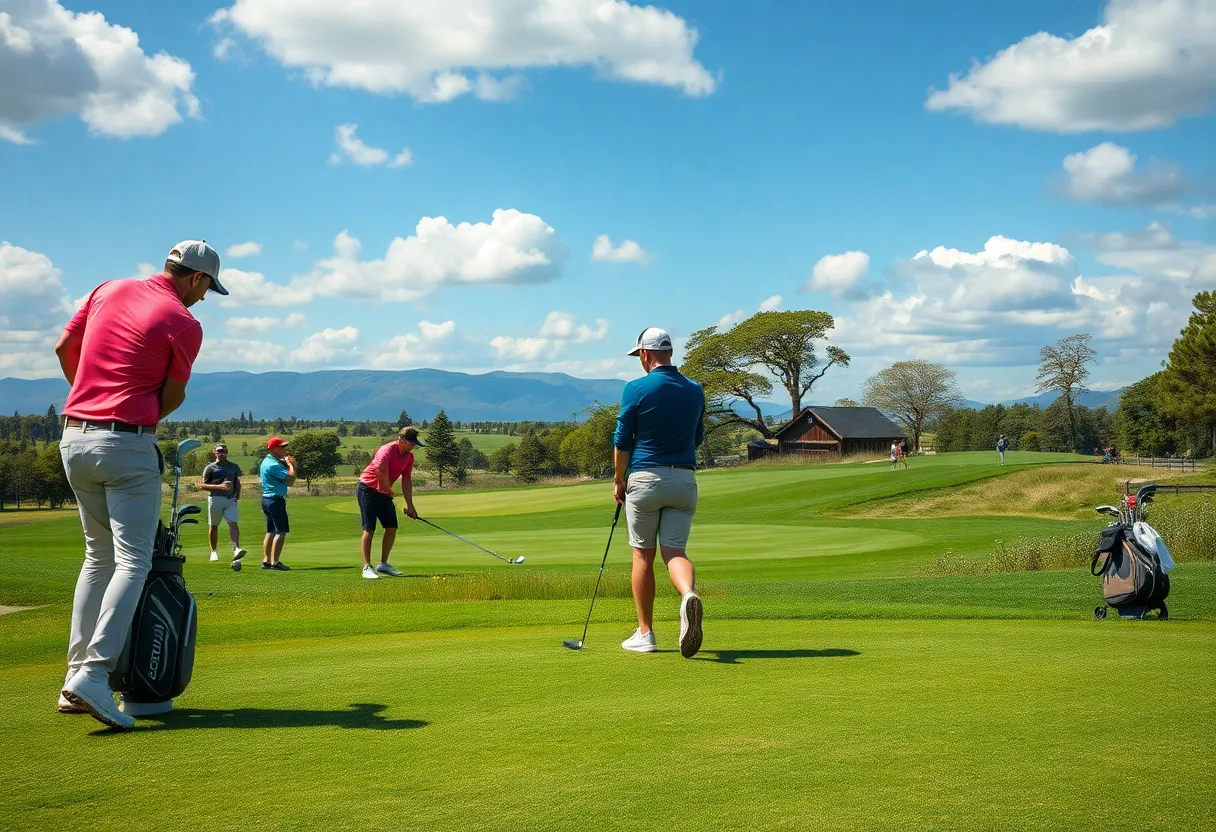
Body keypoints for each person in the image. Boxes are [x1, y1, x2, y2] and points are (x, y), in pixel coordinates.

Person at [53, 240, 227, 729]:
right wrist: (133, 418)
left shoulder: (107, 288)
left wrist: (89, 399)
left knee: (97, 557)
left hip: (73, 438)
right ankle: (93, 673)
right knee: (134, 560)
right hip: (124, 443)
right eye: (207, 287)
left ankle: (73, 676)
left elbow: (65, 348)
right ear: (194, 278)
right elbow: (172, 394)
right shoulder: (184, 322)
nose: (205, 297)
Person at [613, 327, 706, 658]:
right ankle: (687, 595)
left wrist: (618, 480)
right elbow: (697, 437)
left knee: (642, 555)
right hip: (684, 480)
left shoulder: (636, 388)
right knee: (675, 550)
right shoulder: (695, 389)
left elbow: (622, 440)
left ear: (645, 354)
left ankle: (646, 633)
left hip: (645, 479)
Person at [357, 426, 422, 579]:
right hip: (367, 489)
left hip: (383, 492)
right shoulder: (386, 450)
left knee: (391, 527)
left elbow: (406, 480)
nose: (414, 446)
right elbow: (380, 470)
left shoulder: (408, 457)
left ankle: (383, 564)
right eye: (412, 443)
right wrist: (385, 487)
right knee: (369, 528)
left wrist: (410, 506)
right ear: (402, 440)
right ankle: (367, 567)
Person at [200, 443, 247, 569]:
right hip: (215, 499)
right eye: (220, 451)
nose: (222, 453)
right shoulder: (210, 468)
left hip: (230, 500)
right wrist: (218, 487)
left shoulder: (233, 467)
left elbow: (237, 481)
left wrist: (237, 494)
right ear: (214, 452)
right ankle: (213, 551)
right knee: (214, 526)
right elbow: (203, 485)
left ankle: (236, 549)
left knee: (233, 524)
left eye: (224, 451)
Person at [259, 437, 297, 571]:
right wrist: (291, 465)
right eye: (282, 447)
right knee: (280, 531)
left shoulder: (267, 462)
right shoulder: (273, 465)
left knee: (270, 531)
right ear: (274, 449)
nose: (284, 449)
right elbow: (290, 480)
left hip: (267, 499)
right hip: (275, 500)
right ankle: (275, 562)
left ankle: (266, 560)